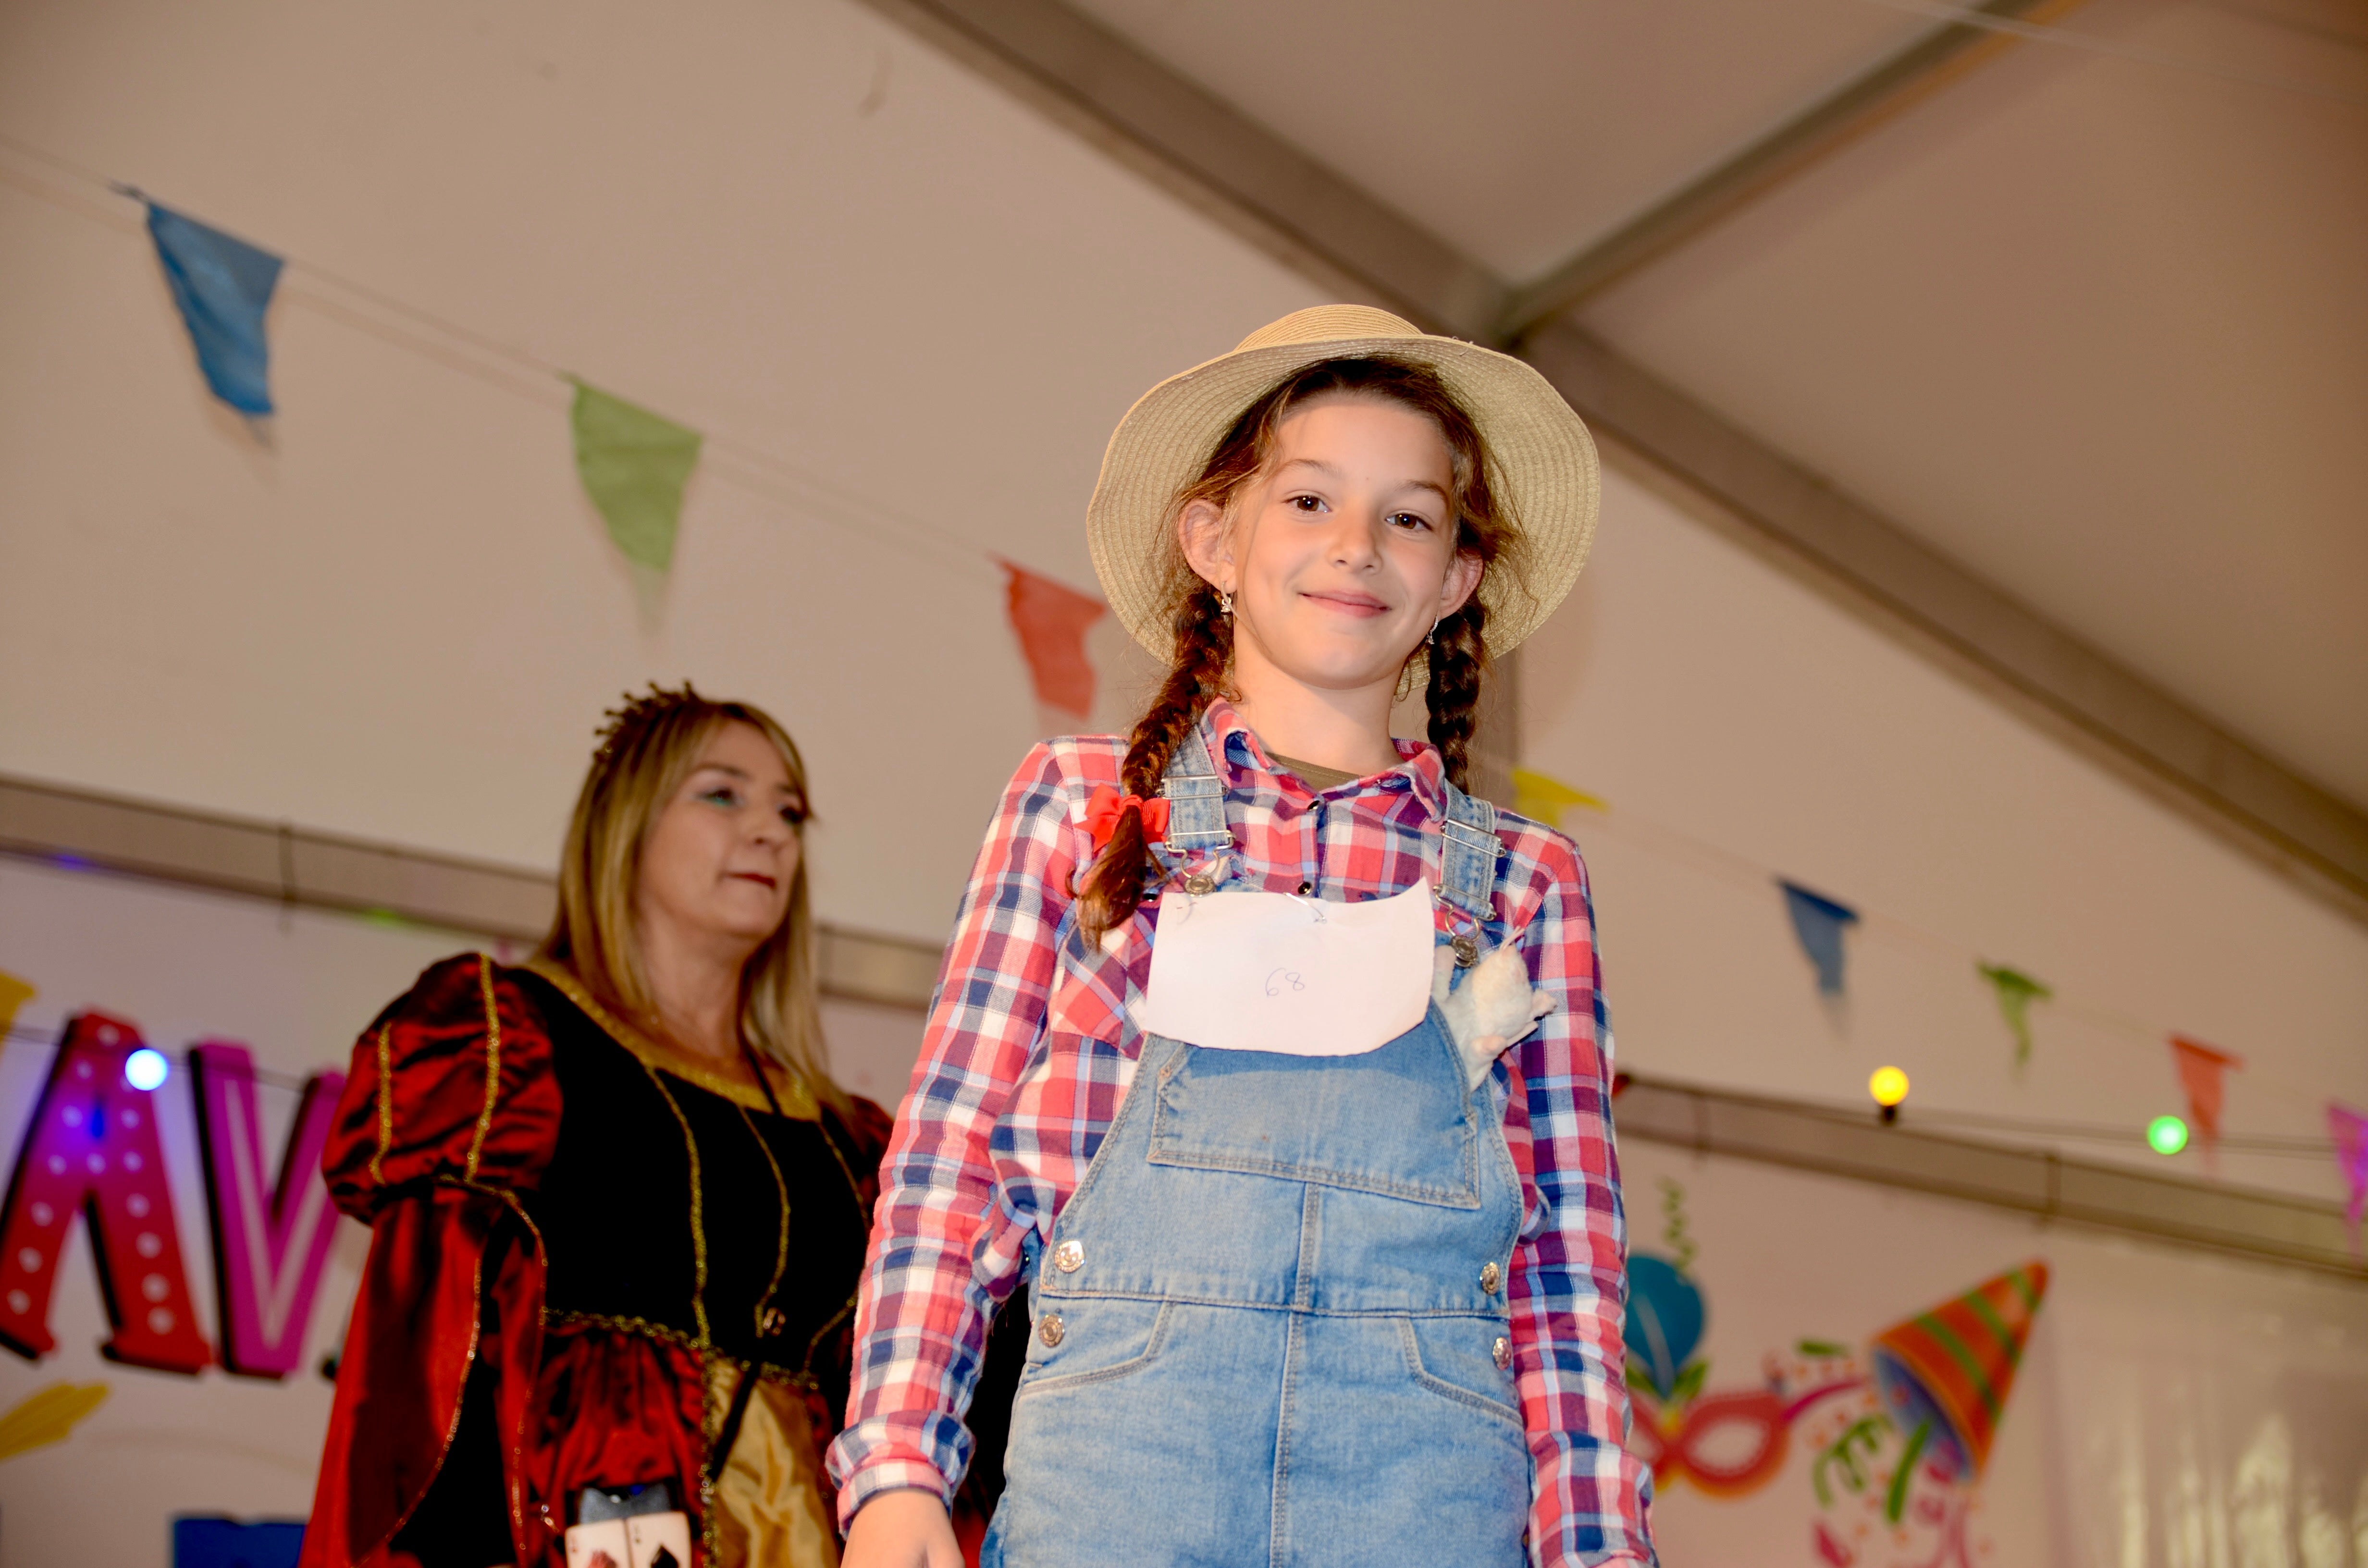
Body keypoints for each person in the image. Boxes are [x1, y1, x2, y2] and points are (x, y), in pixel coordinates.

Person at [832, 306, 1654, 1567]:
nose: (1360, 548)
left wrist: (1599, 1547)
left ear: (1457, 579)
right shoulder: (1085, 808)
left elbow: (1567, 1281)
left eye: (1412, 518)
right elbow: (952, 1170)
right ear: (1214, 539)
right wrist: (896, 1470)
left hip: (1428, 1507)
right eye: (1312, 501)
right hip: (1114, 1494)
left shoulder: (1526, 885)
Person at [302, 685, 892, 1568]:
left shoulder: (848, 1140)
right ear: (629, 822)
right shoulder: (505, 1050)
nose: (771, 831)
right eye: (723, 794)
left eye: (790, 811)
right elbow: (423, 1391)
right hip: (571, 1527)